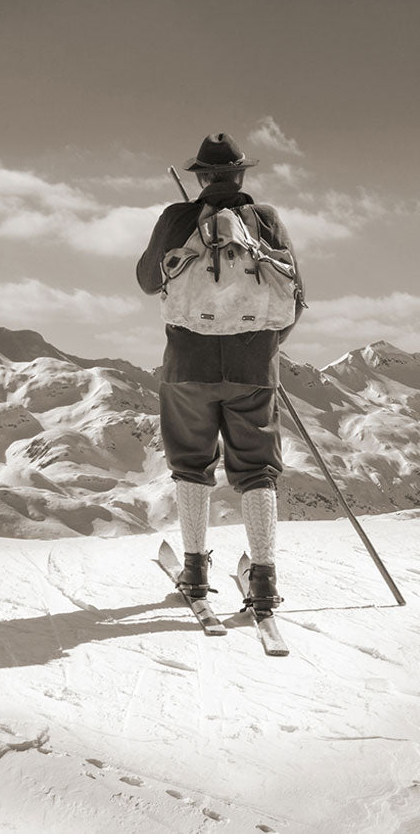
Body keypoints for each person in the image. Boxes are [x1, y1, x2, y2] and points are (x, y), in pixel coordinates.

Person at [136, 132, 304, 614]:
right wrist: (266, 349)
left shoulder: (177, 218)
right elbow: (296, 296)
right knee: (256, 471)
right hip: (254, 368)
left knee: (191, 464)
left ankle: (193, 570)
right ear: (242, 175)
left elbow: (149, 281)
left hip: (188, 365)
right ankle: (265, 581)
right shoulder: (266, 220)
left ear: (201, 177)